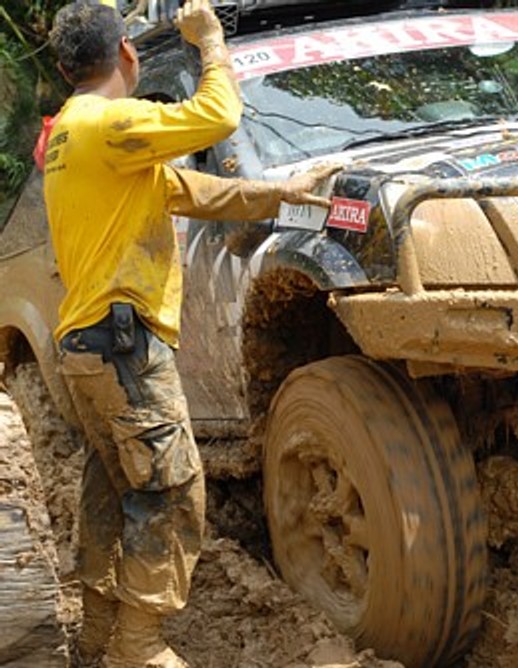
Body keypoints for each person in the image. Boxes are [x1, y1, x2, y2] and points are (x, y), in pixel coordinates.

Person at [43, 1, 336, 666]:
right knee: (170, 493)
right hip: (123, 350)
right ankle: (138, 648)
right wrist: (210, 41)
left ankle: (95, 635)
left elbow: (191, 191)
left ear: (65, 69)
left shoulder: (75, 134)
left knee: (114, 489)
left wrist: (284, 191)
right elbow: (219, 116)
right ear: (127, 55)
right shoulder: (110, 121)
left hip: (88, 350)